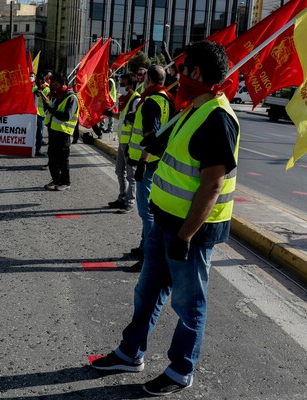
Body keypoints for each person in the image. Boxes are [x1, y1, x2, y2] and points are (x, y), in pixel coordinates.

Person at [90, 40, 240, 396]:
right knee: (148, 290)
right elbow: (170, 151)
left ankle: (180, 370)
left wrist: (186, 236)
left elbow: (212, 185)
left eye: (182, 69)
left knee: (188, 304)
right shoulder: (192, 110)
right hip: (164, 222)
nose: (177, 75)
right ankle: (131, 353)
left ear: (196, 73)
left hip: (190, 232)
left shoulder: (218, 118)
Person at [127, 64, 174, 271]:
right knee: (150, 210)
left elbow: (150, 135)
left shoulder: (150, 102)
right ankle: (144, 246)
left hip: (146, 163)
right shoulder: (168, 100)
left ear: (148, 80)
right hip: (159, 161)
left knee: (146, 212)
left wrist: (142, 162)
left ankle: (149, 256)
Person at [104, 73, 141, 212]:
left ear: (131, 86)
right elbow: (122, 116)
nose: (121, 87)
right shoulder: (125, 99)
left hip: (130, 143)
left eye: (123, 84)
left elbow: (135, 123)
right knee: (120, 171)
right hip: (122, 141)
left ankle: (130, 202)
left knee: (131, 174)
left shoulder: (136, 100)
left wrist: (131, 145)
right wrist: (110, 114)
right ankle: (122, 197)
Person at [39, 73, 79, 191]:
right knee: (52, 158)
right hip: (53, 131)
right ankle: (56, 179)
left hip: (64, 133)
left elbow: (67, 115)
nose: (54, 87)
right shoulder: (57, 95)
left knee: (62, 159)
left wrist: (51, 109)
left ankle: (65, 182)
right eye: (53, 84)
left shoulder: (71, 97)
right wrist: (45, 101)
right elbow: (51, 108)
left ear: (63, 84)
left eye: (56, 84)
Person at [32, 73, 50, 156]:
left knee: (39, 133)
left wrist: (41, 93)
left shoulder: (47, 89)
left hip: (41, 114)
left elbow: (48, 101)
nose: (35, 80)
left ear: (41, 80)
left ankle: (38, 150)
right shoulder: (34, 87)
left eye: (37, 79)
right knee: (30, 132)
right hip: (32, 113)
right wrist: (33, 92)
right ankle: (29, 148)